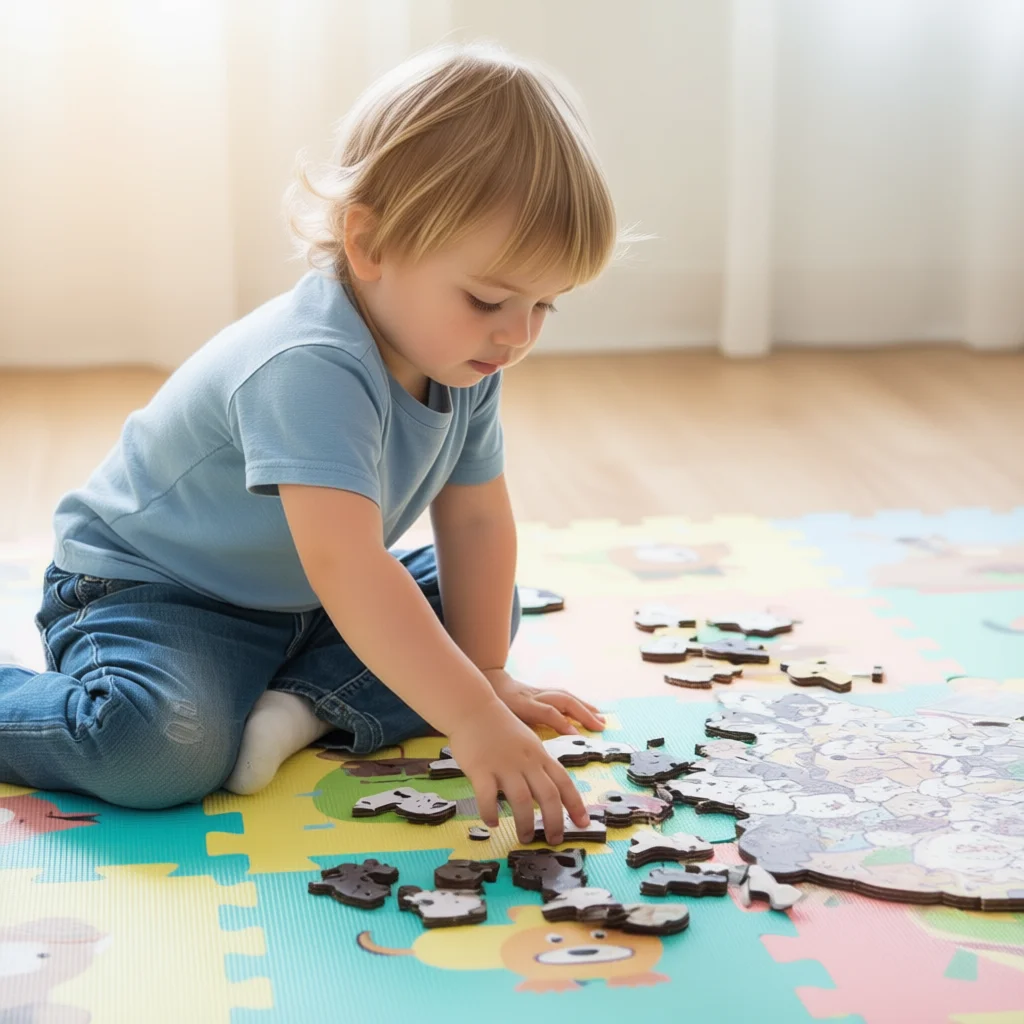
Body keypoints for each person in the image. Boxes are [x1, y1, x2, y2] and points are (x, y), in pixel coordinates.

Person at [0, 40, 623, 846]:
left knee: (482, 606)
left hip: (309, 599)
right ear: (367, 244)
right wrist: (468, 713)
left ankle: (289, 710)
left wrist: (490, 676)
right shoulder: (310, 365)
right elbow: (350, 565)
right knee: (158, 752)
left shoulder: (465, 358)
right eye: (488, 298)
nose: (517, 334)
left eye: (547, 306)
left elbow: (472, 522)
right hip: (157, 593)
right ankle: (289, 702)